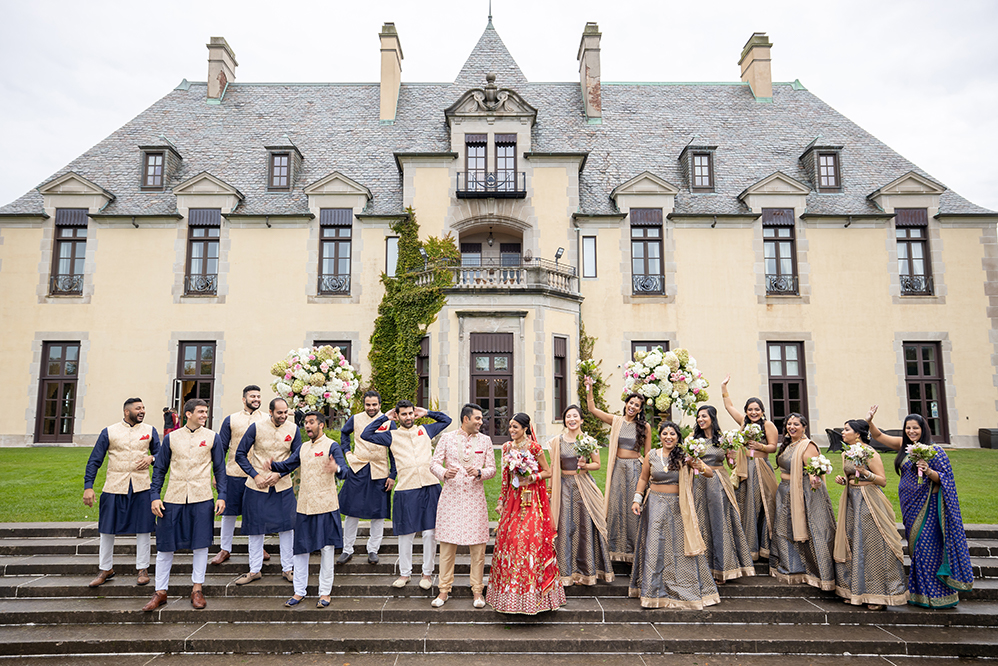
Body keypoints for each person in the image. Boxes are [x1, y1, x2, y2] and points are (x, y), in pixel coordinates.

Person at [867, 406, 973, 608]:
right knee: (915, 548)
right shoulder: (904, 446)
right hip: (909, 506)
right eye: (908, 428)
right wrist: (870, 421)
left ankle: (937, 595)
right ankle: (919, 594)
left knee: (927, 548)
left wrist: (928, 469)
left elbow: (945, 478)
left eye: (915, 428)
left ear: (923, 429)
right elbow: (879, 436)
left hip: (928, 507)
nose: (911, 432)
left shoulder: (935, 451)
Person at [142, 398, 226, 611]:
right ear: (187, 414)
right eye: (200, 412)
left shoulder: (212, 438)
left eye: (206, 412)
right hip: (173, 498)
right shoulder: (171, 438)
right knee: (165, 546)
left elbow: (220, 469)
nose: (204, 415)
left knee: (200, 545)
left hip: (202, 497)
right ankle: (160, 591)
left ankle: (197, 589)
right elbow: (160, 469)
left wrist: (222, 495)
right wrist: (154, 496)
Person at [362, 401, 452, 589]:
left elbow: (446, 420)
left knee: (430, 533)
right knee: (405, 533)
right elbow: (366, 434)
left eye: (411, 413)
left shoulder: (426, 430)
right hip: (405, 488)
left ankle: (427, 573)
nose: (408, 417)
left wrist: (426, 412)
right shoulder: (391, 436)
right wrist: (384, 418)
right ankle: (405, 573)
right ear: (398, 416)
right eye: (404, 414)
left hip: (430, 485)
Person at [630, 420, 719, 609]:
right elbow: (643, 478)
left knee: (680, 547)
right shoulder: (651, 455)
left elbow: (710, 473)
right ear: (659, 436)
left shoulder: (685, 456)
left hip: (679, 508)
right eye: (665, 434)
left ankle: (683, 589)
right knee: (655, 546)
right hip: (654, 505)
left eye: (672, 434)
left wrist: (696, 464)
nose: (668, 437)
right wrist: (637, 499)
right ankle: (652, 593)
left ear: (677, 437)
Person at [486, 412, 567, 614]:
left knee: (531, 540)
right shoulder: (506, 448)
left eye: (516, 427)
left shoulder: (534, 447)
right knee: (510, 541)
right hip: (513, 500)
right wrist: (501, 501)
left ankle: (537, 596)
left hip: (532, 500)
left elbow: (548, 471)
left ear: (525, 428)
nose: (512, 430)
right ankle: (510, 596)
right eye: (510, 427)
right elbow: (505, 478)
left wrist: (533, 477)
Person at [267, 410, 347, 608]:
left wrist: (335, 468)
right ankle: (299, 591)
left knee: (327, 550)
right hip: (304, 507)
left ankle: (325, 593)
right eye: (306, 423)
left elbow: (344, 471)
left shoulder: (332, 446)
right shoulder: (302, 448)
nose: (307, 426)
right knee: (300, 550)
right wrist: (273, 466)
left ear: (321, 425)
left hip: (326, 506)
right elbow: (288, 465)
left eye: (311, 422)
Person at [83, 397, 160, 588]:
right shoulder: (109, 432)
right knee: (107, 529)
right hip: (114, 486)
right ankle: (105, 568)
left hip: (142, 486)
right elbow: (95, 460)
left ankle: (142, 568)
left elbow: (162, 456)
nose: (142, 411)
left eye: (143, 408)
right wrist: (88, 486)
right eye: (138, 408)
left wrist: (152, 458)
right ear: (127, 412)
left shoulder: (150, 431)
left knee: (144, 528)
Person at [832, 419, 908, 609]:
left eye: (847, 429)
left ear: (857, 434)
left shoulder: (870, 452)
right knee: (853, 544)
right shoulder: (846, 453)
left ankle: (878, 595)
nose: (843, 432)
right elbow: (852, 476)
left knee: (872, 545)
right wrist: (845, 480)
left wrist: (865, 472)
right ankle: (855, 591)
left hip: (869, 501)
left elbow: (882, 481)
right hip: (851, 501)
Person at [429, 403, 496, 608]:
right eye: (477, 418)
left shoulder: (485, 441)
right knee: (447, 546)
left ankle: (477, 591)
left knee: (478, 548)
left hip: (475, 499)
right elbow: (434, 463)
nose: (480, 422)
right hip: (451, 498)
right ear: (466, 419)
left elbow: (492, 468)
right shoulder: (447, 438)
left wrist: (479, 473)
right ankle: (443, 590)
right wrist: (443, 473)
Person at [234, 397, 302, 585]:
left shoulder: (294, 430)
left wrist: (279, 474)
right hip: (257, 485)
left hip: (283, 485)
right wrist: (255, 475)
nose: (283, 416)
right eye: (279, 412)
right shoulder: (255, 427)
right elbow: (240, 454)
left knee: (288, 527)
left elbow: (298, 458)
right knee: (255, 527)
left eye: (285, 412)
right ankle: (254, 570)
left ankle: (288, 568)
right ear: (270, 412)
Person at [548, 404, 614, 587]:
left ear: (581, 420)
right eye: (568, 416)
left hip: (583, 486)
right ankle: (565, 572)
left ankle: (586, 572)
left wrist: (584, 466)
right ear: (564, 420)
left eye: (575, 416)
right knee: (565, 527)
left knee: (585, 527)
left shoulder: (589, 440)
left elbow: (597, 464)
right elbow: (553, 468)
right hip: (564, 487)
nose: (572, 419)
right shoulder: (557, 441)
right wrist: (549, 490)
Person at [689, 405, 755, 582]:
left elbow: (732, 463)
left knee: (720, 522)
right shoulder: (693, 439)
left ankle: (722, 568)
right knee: (701, 521)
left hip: (719, 483)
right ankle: (702, 568)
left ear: (712, 417)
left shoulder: (723, 439)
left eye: (704, 416)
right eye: (698, 417)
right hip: (699, 483)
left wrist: (732, 455)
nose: (700, 419)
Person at [770, 413, 836, 591]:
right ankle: (791, 568)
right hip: (784, 491)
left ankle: (813, 571)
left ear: (804, 427)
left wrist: (815, 478)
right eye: (789, 424)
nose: (791, 427)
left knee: (808, 529)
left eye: (796, 424)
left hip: (802, 492)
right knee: (784, 530)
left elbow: (813, 469)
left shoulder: (807, 446)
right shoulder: (789, 444)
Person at [585, 376, 648, 563]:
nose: (633, 407)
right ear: (626, 403)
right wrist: (589, 387)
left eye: (637, 405)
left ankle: (634, 552)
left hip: (635, 470)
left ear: (640, 409)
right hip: (618, 468)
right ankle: (614, 550)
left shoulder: (644, 427)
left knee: (633, 510)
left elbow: (648, 454)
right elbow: (592, 409)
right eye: (631, 402)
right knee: (615, 507)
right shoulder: (616, 421)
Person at [720, 375, 779, 561]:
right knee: (744, 504)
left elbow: (773, 447)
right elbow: (729, 407)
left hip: (761, 468)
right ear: (746, 411)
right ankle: (745, 546)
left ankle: (762, 548)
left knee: (762, 504)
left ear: (762, 411)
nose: (753, 412)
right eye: (750, 409)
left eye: (757, 409)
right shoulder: (744, 423)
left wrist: (759, 446)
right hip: (744, 468)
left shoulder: (768, 425)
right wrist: (723, 388)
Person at [211, 385, 270, 566]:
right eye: (252, 396)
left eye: (259, 396)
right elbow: (221, 448)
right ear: (244, 399)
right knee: (229, 513)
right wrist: (217, 474)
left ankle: (259, 547)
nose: (256, 399)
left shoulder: (267, 419)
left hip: (258, 474)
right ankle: (225, 548)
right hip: (233, 472)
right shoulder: (231, 420)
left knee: (257, 513)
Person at [337, 390, 394, 566]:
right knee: (352, 510)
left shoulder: (389, 422)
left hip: (380, 469)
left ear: (380, 404)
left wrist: (393, 474)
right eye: (368, 404)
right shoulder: (355, 418)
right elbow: (344, 433)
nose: (371, 408)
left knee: (378, 512)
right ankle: (347, 549)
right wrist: (347, 451)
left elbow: (394, 448)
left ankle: (373, 549)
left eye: (374, 405)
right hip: (358, 467)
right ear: (364, 404)